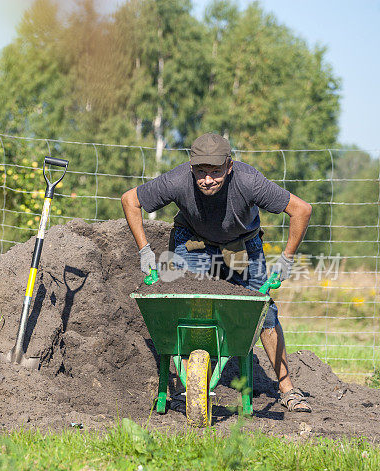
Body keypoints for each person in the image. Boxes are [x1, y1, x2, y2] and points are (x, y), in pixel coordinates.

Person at [121, 132, 313, 413]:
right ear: (191, 168)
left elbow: (301, 210)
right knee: (190, 309)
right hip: (194, 244)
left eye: (215, 172)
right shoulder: (177, 180)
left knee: (263, 313)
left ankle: (287, 389)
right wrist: (144, 251)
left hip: (242, 247)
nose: (208, 179)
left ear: (229, 166)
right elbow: (130, 200)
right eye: (201, 172)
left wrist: (286, 259)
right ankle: (191, 388)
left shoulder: (248, 181)